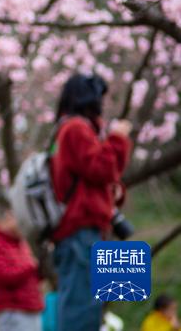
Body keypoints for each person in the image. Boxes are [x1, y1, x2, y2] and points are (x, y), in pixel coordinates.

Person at [49, 74, 132, 331]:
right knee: (81, 308)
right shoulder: (75, 128)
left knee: (88, 305)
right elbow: (102, 168)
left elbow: (94, 176)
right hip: (80, 232)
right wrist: (117, 138)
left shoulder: (67, 128)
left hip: (83, 232)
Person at [0, 210, 44, 331]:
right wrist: (31, 265)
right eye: (20, 221)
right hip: (14, 311)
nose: (24, 226)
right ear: (8, 218)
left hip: (32, 308)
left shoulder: (20, 243)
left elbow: (33, 277)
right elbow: (4, 276)